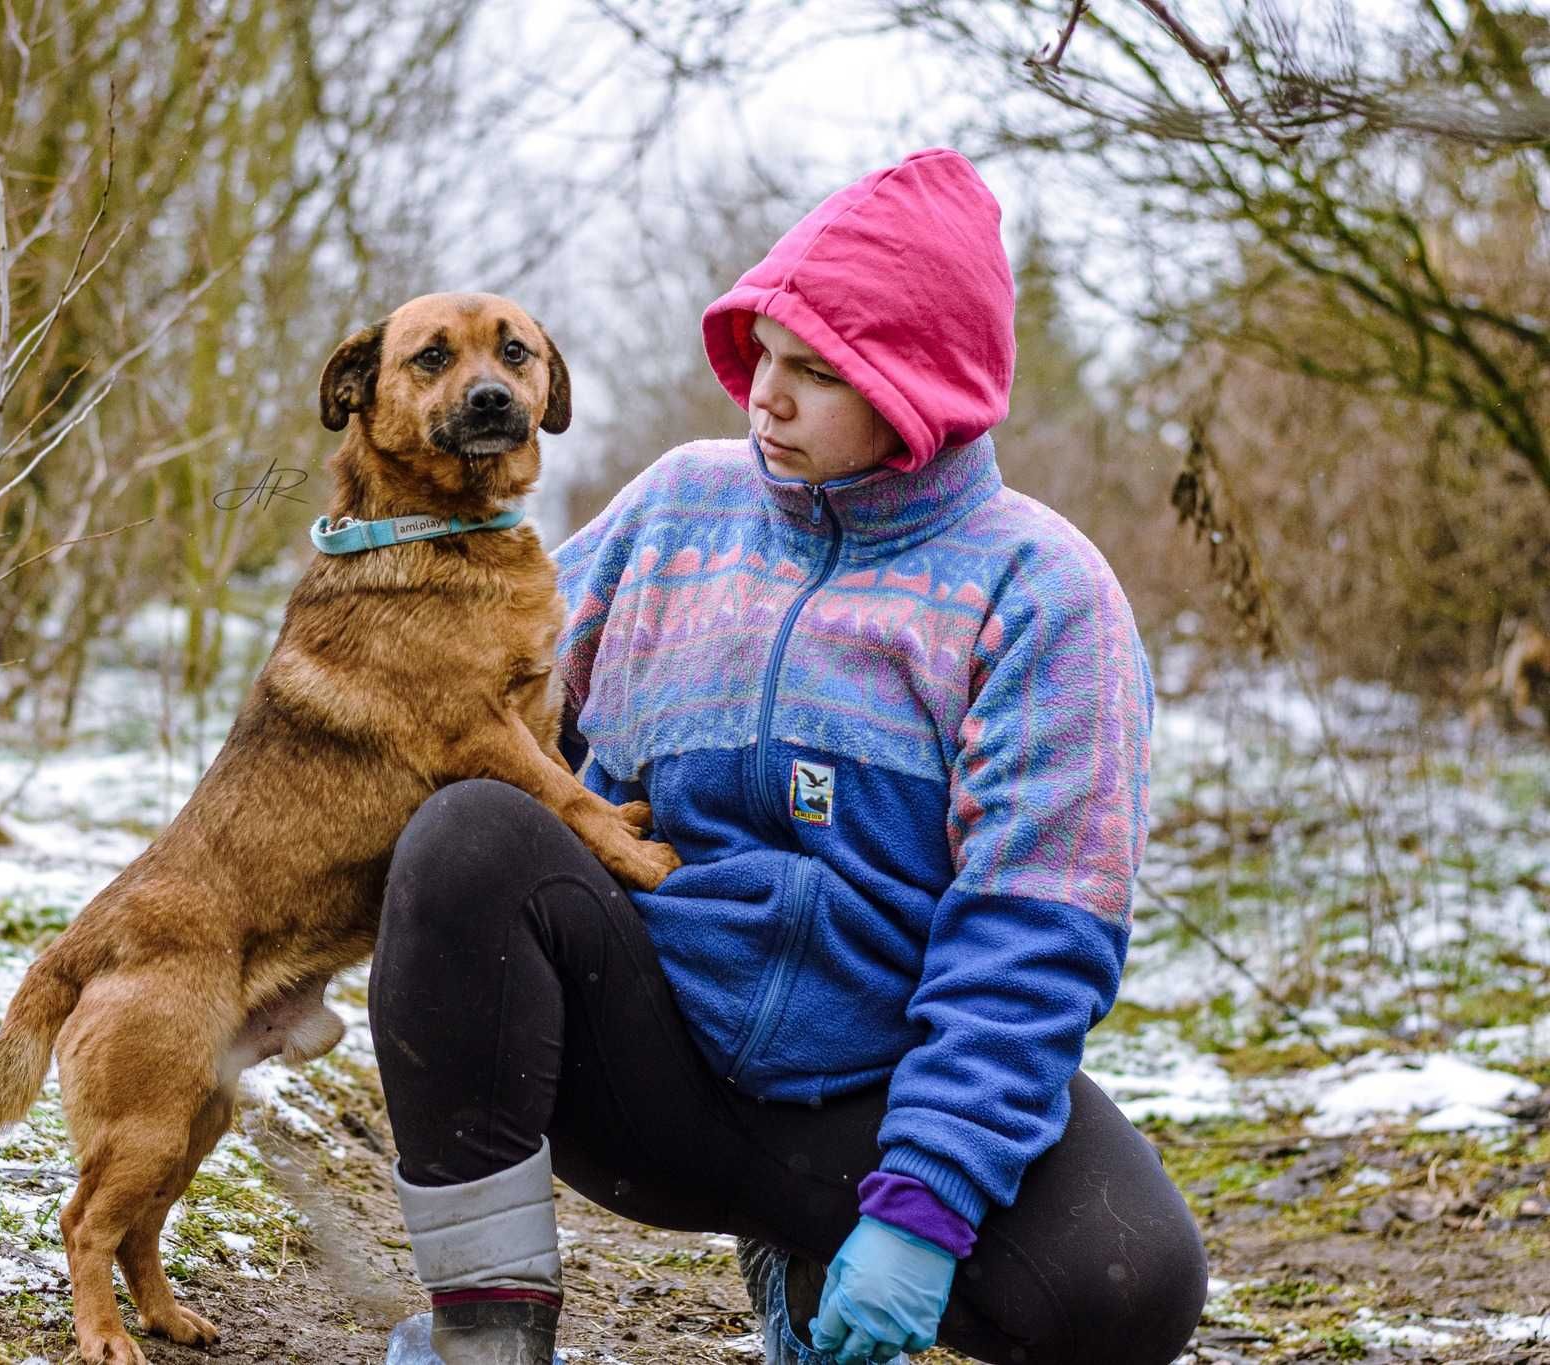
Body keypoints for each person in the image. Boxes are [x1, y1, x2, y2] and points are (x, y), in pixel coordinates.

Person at [371, 148, 1208, 1365]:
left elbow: (1030, 938)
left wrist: (921, 1208)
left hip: (873, 1089)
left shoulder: (1039, 596)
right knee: (466, 836)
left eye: (815, 372)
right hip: (638, 1053)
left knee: (1131, 1283)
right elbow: (461, 694)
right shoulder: (673, 513)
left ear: (918, 394)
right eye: (763, 352)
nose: (764, 395)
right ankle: (481, 1334)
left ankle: (813, 1259)